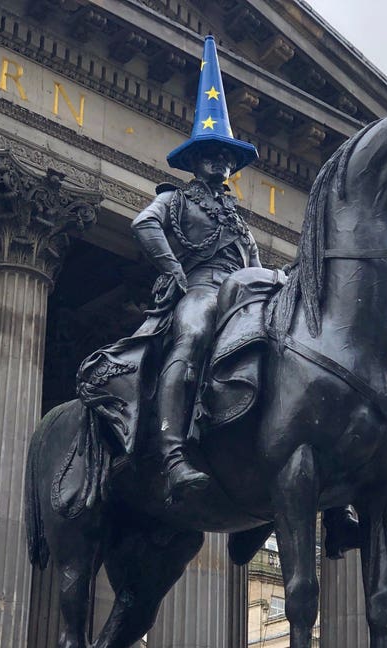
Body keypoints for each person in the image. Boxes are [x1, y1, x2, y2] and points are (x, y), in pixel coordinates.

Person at [132, 142, 261, 501]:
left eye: (226, 157)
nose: (220, 161)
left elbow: (256, 271)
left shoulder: (239, 222)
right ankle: (173, 455)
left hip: (240, 295)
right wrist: (173, 268)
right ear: (192, 161)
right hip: (200, 287)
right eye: (211, 155)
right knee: (193, 335)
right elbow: (144, 223)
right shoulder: (176, 200)